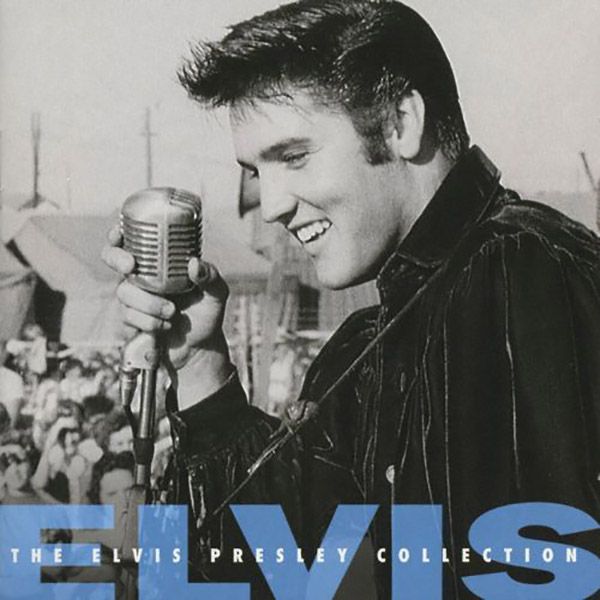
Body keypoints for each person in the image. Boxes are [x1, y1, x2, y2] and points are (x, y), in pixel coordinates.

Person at [103, 0, 600, 596]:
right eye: (258, 171)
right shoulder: (369, 344)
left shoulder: (519, 268)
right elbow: (280, 570)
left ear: (400, 124)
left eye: (293, 157)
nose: (272, 205)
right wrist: (199, 362)